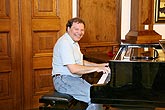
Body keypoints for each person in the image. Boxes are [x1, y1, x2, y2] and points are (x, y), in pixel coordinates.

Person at [52, 17, 111, 110]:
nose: (79, 32)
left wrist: (101, 65)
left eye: (82, 30)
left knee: (98, 95)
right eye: (76, 29)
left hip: (73, 79)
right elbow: (74, 69)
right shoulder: (65, 43)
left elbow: (81, 62)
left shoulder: (74, 42)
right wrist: (96, 69)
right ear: (68, 29)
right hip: (63, 80)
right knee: (95, 98)